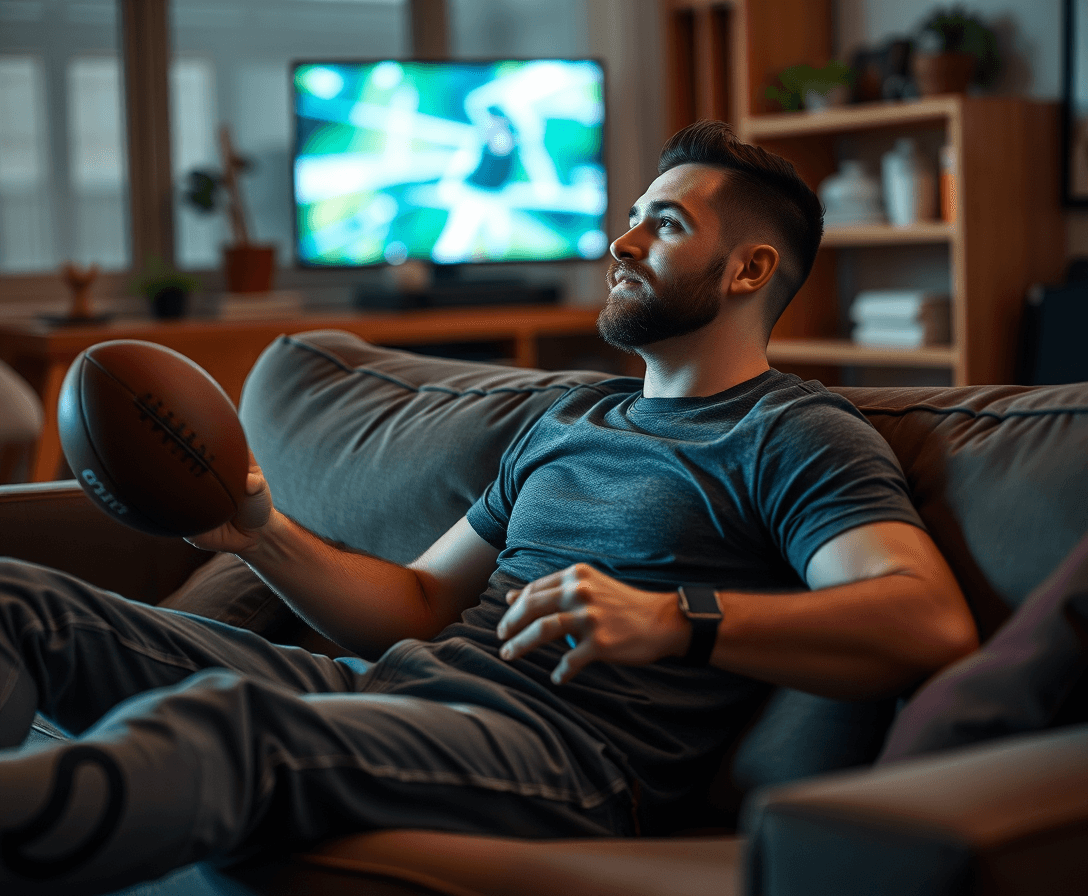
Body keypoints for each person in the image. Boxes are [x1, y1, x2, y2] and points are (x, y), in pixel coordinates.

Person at [0, 120, 978, 895]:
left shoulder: (792, 431)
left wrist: (676, 620)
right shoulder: (569, 415)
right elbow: (420, 603)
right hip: (393, 689)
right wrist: (258, 534)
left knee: (222, 725)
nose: (620, 238)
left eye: (664, 224)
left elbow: (922, 615)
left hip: (562, 758)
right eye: (632, 213)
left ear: (748, 271)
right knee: (24, 603)